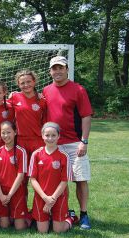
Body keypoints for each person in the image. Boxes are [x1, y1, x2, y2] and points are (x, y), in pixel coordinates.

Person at [43, 56, 93, 229]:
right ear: (50, 71)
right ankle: (66, 211)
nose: (57, 71)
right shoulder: (46, 91)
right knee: (58, 182)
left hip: (74, 143)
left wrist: (84, 141)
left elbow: (86, 116)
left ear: (67, 69)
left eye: (60, 68)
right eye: (54, 68)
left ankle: (84, 214)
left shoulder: (78, 90)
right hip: (53, 145)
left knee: (80, 179)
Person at [28, 122, 75, 233]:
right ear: (42, 135)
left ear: (59, 136)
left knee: (59, 231)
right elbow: (32, 179)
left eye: (53, 135)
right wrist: (45, 198)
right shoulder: (36, 154)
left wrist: (52, 199)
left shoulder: (64, 156)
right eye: (47, 135)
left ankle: (71, 217)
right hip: (41, 197)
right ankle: (48, 218)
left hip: (58, 197)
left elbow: (64, 181)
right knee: (42, 231)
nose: (50, 138)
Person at [0, 121, 30, 230]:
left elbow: (21, 175)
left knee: (19, 228)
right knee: (4, 225)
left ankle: (29, 216)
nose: (6, 135)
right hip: (1, 192)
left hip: (16, 191)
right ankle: (10, 216)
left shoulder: (21, 151)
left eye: (8, 132)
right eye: (3, 133)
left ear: (15, 132)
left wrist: (9, 195)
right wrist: (0, 194)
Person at [9, 70, 47, 159]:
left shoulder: (42, 100)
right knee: (22, 170)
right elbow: (0, 105)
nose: (26, 85)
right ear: (18, 85)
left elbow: (46, 121)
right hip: (20, 140)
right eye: (22, 83)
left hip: (37, 140)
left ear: (34, 82)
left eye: (29, 81)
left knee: (37, 170)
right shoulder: (14, 97)